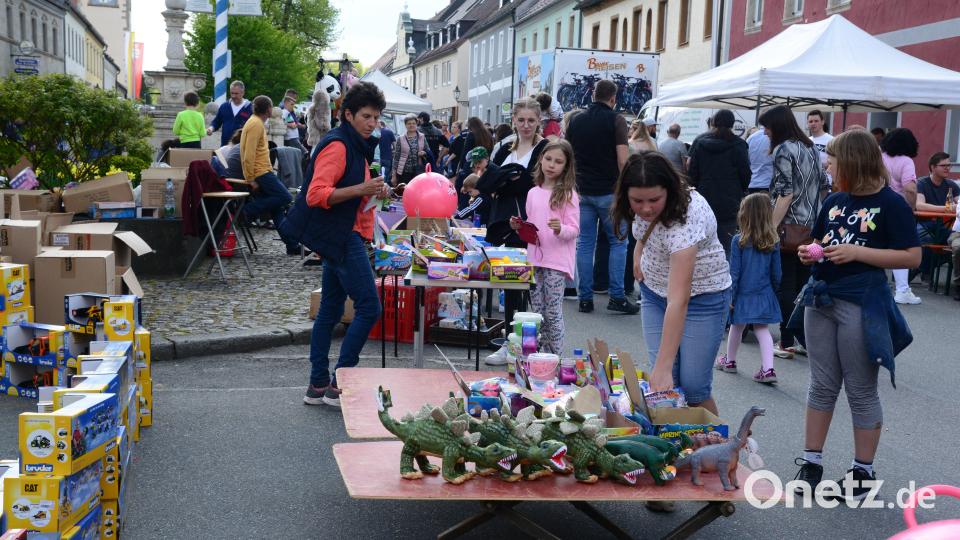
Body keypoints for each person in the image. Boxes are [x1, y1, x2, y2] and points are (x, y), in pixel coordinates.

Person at [792, 129, 920, 499]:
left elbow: (912, 256)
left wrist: (857, 253)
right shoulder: (834, 200)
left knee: (861, 389)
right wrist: (811, 251)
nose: (827, 168)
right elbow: (822, 240)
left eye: (832, 161)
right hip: (820, 299)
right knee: (821, 384)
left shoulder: (891, 203)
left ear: (851, 162)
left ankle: (862, 475)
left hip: (862, 303)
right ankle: (811, 463)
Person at [281, 82, 389, 408]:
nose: (372, 123)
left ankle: (317, 385)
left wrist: (376, 191)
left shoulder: (356, 145)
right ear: (348, 115)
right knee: (369, 307)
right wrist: (361, 189)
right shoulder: (339, 146)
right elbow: (316, 194)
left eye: (376, 118)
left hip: (340, 234)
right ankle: (339, 383)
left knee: (329, 309)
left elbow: (355, 191)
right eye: (366, 116)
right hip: (341, 236)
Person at [614, 151, 732, 416]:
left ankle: (722, 439)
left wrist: (663, 366)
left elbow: (679, 299)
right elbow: (644, 230)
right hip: (654, 292)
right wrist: (638, 253)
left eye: (654, 200)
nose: (646, 208)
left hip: (703, 297)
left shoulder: (687, 218)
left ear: (669, 190)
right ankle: (678, 439)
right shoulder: (638, 206)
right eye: (637, 201)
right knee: (667, 387)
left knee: (693, 388)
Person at [478, 98, 550, 365]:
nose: (526, 125)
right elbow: (486, 182)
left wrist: (505, 180)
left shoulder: (545, 147)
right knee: (510, 284)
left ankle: (533, 345)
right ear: (514, 121)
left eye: (531, 120)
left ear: (539, 121)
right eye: (521, 120)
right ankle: (511, 343)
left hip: (533, 223)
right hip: (504, 224)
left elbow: (532, 182)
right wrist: (507, 179)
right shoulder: (505, 147)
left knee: (533, 289)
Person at [758, 105, 828, 359]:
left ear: (776, 125)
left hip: (789, 227)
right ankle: (803, 339)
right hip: (813, 224)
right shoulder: (810, 146)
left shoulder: (783, 149)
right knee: (802, 284)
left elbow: (785, 193)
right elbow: (824, 185)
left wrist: (770, 228)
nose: (765, 132)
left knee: (785, 284)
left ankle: (787, 340)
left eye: (767, 127)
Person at [565, 79, 637, 314]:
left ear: (593, 95)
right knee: (618, 243)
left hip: (581, 191)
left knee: (585, 244)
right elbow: (623, 160)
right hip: (610, 192)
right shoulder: (617, 120)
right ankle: (617, 296)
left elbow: (567, 155)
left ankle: (585, 298)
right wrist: (628, 188)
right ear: (613, 98)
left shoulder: (576, 120)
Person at [511, 139, 580, 354]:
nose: (551, 165)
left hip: (556, 262)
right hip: (535, 259)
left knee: (553, 312)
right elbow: (532, 227)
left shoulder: (568, 194)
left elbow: (574, 229)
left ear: (566, 166)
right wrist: (519, 227)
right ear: (540, 159)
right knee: (537, 312)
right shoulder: (533, 192)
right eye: (548, 159)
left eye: (558, 162)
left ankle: (555, 356)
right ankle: (540, 355)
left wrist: (560, 229)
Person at [715, 193, 782, 383]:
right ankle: (768, 369)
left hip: (743, 294)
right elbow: (777, 272)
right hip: (764, 292)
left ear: (744, 215)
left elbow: (734, 272)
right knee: (762, 329)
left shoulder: (739, 241)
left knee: (736, 326)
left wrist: (731, 296)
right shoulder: (773, 241)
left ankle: (730, 361)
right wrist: (773, 290)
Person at [687, 109, 752, 257]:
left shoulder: (700, 143)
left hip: (704, 197)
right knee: (727, 245)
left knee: (702, 243)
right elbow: (745, 173)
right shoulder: (739, 145)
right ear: (732, 124)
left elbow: (692, 173)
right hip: (730, 200)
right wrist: (740, 190)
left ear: (714, 122)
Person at [239, 95, 297, 253]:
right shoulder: (256, 124)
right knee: (285, 197)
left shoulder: (255, 122)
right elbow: (248, 154)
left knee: (277, 207)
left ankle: (292, 245)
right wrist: (250, 179)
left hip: (262, 171)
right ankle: (247, 211)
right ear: (269, 109)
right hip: (261, 172)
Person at [880, 128, 922, 305]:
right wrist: (911, 208)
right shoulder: (906, 161)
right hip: (897, 207)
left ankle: (881, 286)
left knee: (877, 246)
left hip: (877, 204)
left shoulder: (880, 157)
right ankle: (902, 289)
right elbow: (910, 188)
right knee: (902, 249)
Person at [208, 80, 254, 147]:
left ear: (243, 93)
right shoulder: (224, 106)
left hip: (242, 146)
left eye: (236, 93)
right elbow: (217, 121)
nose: (233, 96)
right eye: (232, 93)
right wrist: (211, 128)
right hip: (225, 145)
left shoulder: (250, 107)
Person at [391, 114, 429, 186]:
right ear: (405, 125)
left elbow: (428, 150)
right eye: (409, 123)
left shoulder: (422, 136)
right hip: (404, 172)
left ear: (416, 124)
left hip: (418, 171)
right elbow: (396, 158)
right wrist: (393, 175)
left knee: (417, 190)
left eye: (413, 123)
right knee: (404, 190)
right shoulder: (400, 138)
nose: (411, 125)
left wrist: (424, 152)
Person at [807, 110, 834, 184]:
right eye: (810, 121)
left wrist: (822, 165)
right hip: (809, 182)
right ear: (807, 124)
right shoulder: (806, 141)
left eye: (816, 121)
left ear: (822, 122)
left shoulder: (831, 140)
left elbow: (836, 161)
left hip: (825, 182)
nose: (813, 123)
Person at [746, 127, 774, 194]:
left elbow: (746, 162)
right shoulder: (775, 136)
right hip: (769, 184)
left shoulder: (750, 138)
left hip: (752, 184)